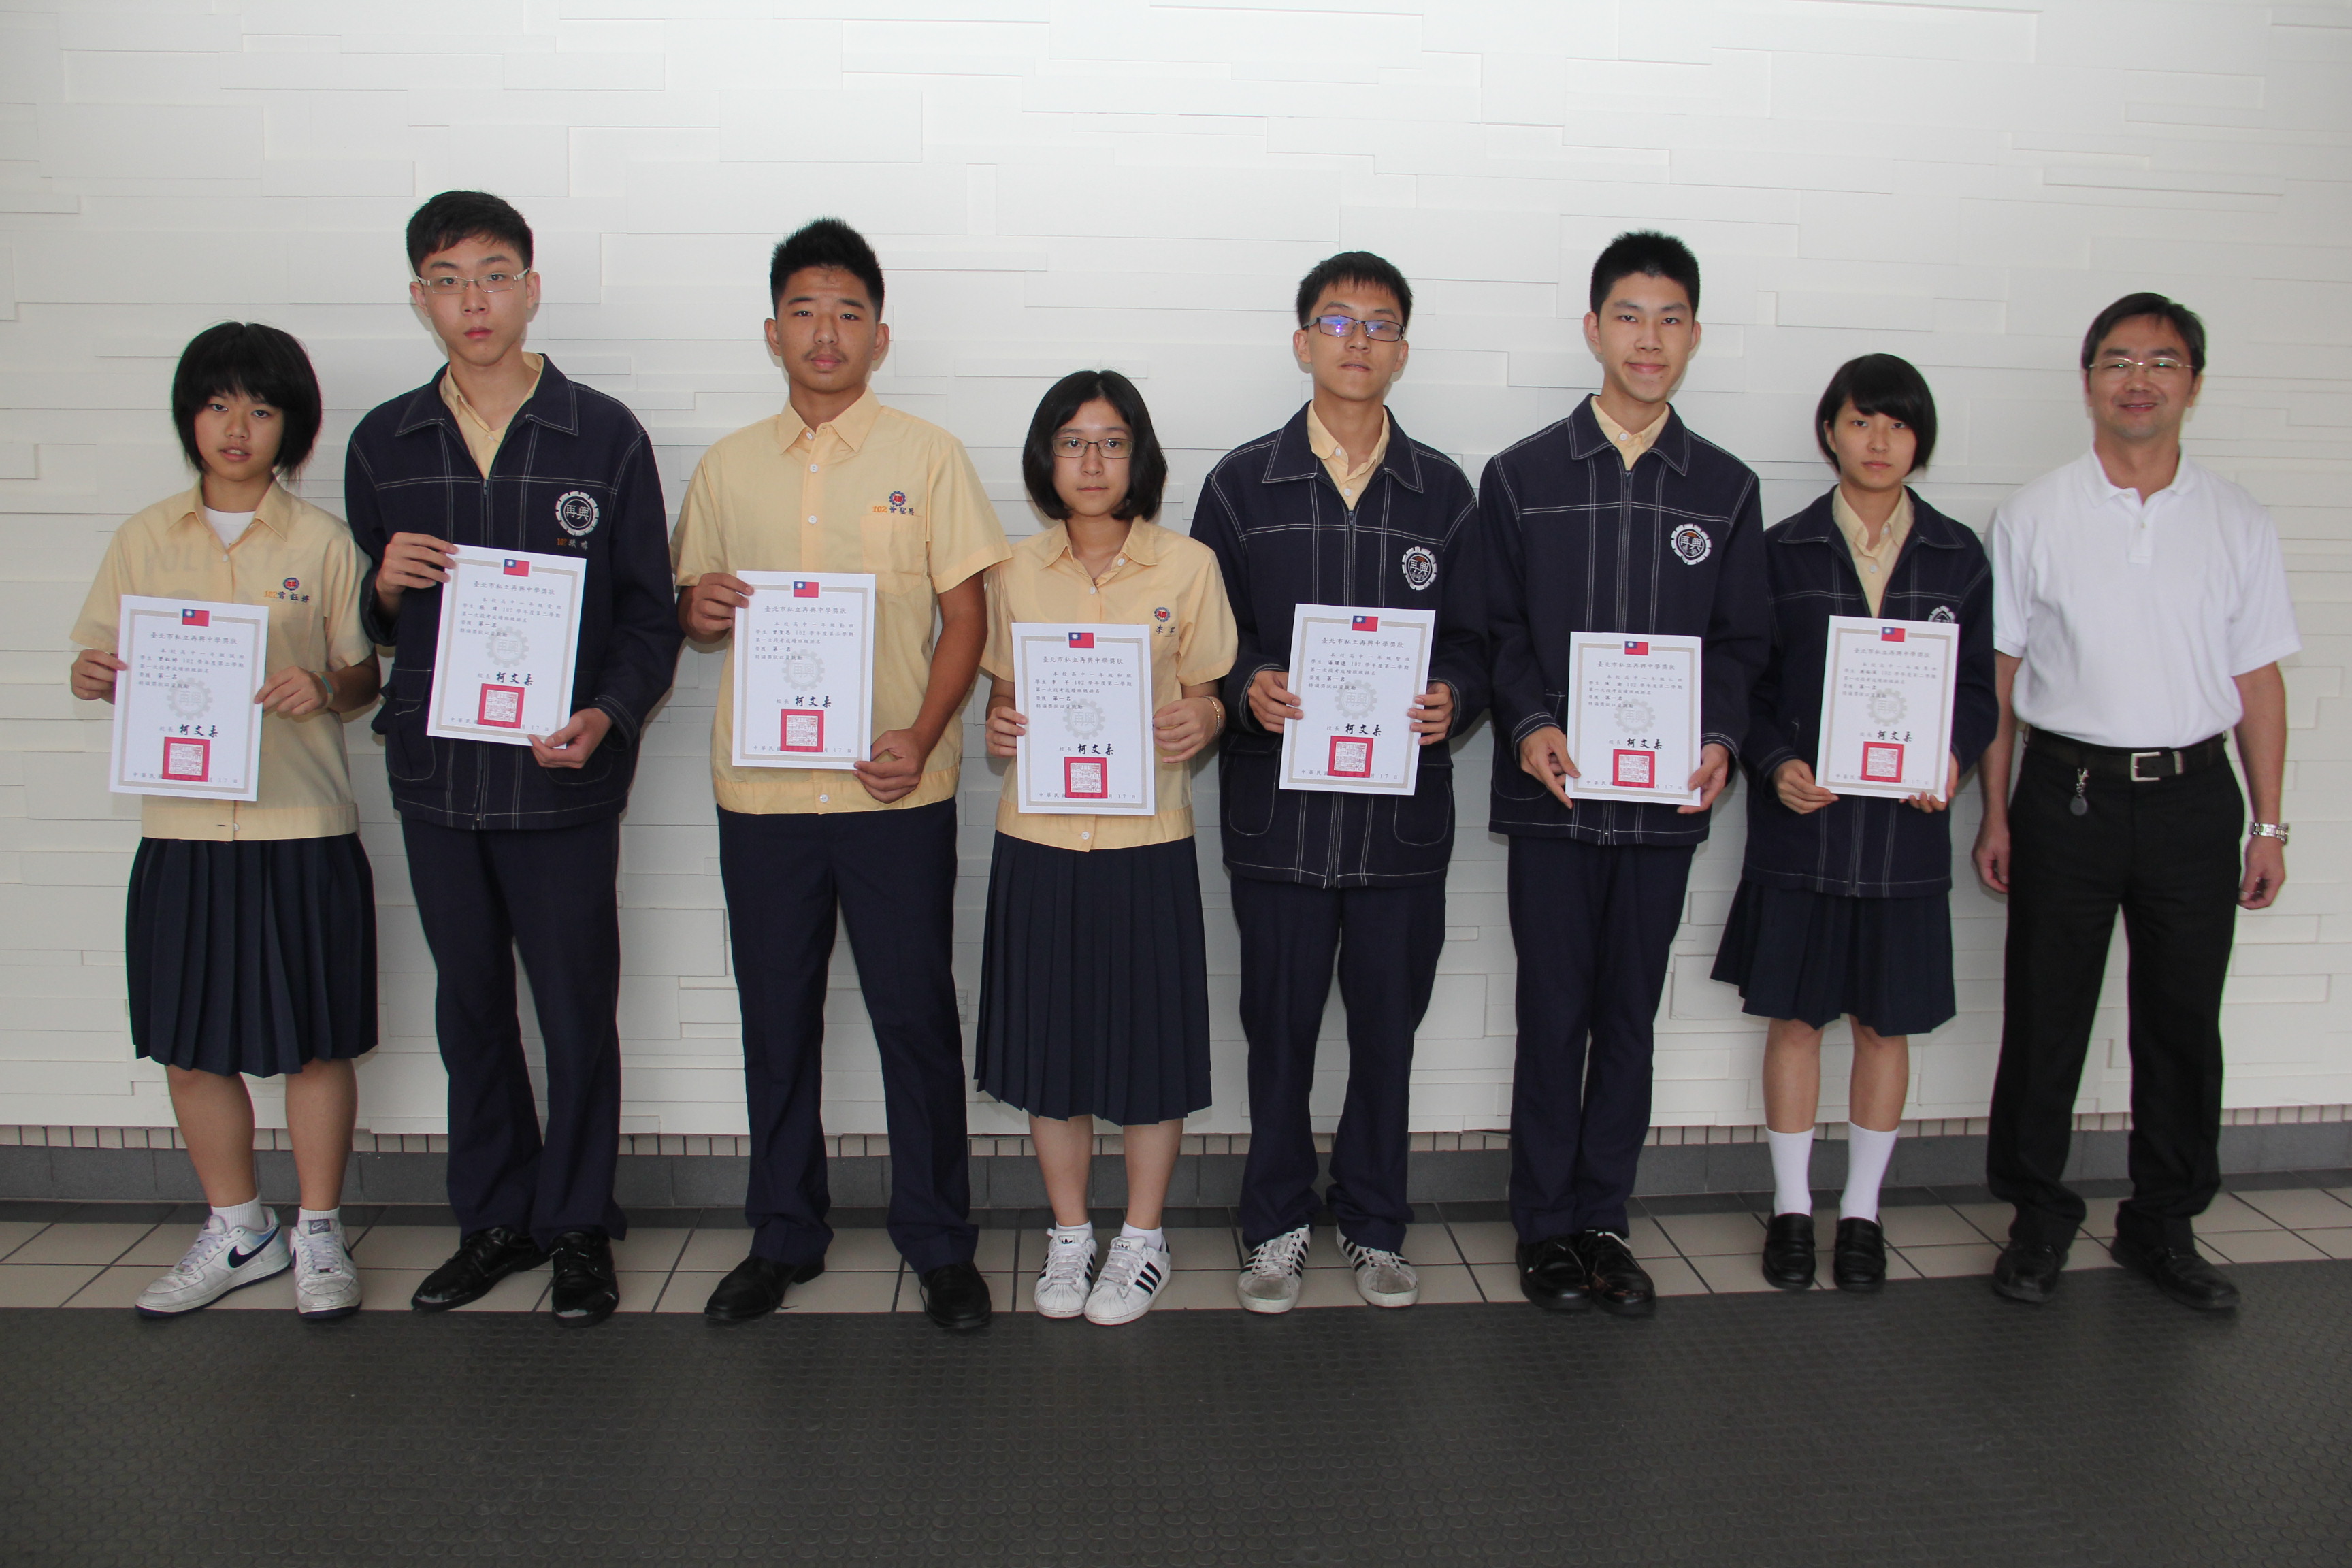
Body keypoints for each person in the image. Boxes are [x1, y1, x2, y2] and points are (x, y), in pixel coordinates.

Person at [346, 191, 683, 1326]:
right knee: (472, 1011)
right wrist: (381, 588)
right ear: (420, 299)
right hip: (438, 777)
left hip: (560, 776)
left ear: (531, 289)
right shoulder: (384, 442)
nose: (474, 301)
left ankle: (578, 1224)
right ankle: (495, 1220)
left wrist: (609, 715)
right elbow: (374, 624)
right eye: (447, 281)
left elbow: (649, 615)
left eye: (494, 275)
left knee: (578, 1012)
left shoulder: (603, 433)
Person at [673, 217, 1011, 1333]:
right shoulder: (726, 466)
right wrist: (698, 608)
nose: (827, 332)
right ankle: (784, 1234)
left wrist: (922, 731)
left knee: (916, 1019)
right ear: (773, 332)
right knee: (777, 1020)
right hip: (764, 799)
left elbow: (967, 616)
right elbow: (694, 609)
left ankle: (940, 1241)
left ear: (881, 336)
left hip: (892, 792)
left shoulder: (928, 457)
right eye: (805, 312)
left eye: (849, 313)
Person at [1973, 293, 2297, 1313]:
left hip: (2195, 800)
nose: (2138, 380)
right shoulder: (2034, 514)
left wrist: (2268, 824)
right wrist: (1995, 813)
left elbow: (2258, 680)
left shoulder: (2238, 520)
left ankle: (2162, 1224)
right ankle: (2037, 1221)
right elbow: (1998, 679)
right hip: (2065, 796)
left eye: (2162, 362)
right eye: (2117, 361)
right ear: (2088, 383)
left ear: (2194, 383)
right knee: (2046, 1017)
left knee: (2183, 1025)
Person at [1190, 251, 1486, 1314]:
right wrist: (1246, 685)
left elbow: (1478, 639)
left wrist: (1456, 694)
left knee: (1386, 1037)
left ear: (1402, 351)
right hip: (1280, 818)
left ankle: (1375, 1223)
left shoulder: (1445, 491)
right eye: (1336, 319)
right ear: (1302, 341)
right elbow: (1205, 637)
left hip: (1400, 826)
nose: (1357, 340)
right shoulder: (1240, 485)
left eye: (1379, 324)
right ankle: (1274, 1225)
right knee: (1278, 1033)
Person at [1482, 231, 1769, 1316]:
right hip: (1554, 800)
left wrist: (1722, 739)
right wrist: (1529, 724)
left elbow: (1742, 643)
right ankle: (1543, 1226)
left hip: (1661, 811)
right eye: (1629, 317)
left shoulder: (1725, 488)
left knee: (1630, 1019)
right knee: (1553, 1013)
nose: (1649, 339)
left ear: (1694, 336)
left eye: (1670, 319)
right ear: (1594, 330)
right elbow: (1496, 628)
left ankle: (1604, 1217)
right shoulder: (1521, 477)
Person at [70, 323, 380, 1319]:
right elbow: (95, 659)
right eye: (216, 405)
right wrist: (92, 674)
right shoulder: (144, 537)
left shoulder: (322, 541)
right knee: (191, 1042)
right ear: (190, 418)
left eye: (260, 408)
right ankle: (239, 1227)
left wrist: (323, 687)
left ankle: (319, 1231)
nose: (236, 427)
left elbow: (364, 677)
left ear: (292, 426)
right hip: (183, 830)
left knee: (317, 1039)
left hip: (302, 826)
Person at [1711, 354, 1995, 1292]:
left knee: (1885, 1024)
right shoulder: (1781, 549)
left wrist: (1951, 758)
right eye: (1862, 421)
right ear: (1830, 432)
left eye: (1899, 424)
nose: (1879, 441)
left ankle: (1864, 1212)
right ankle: (1793, 1208)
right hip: (1806, 828)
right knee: (1796, 1021)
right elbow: (1744, 682)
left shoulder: (1957, 555)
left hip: (1905, 834)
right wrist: (1773, 764)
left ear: (1921, 441)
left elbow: (1978, 693)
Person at [977, 371, 1235, 1325]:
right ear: (1047, 458)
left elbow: (1211, 695)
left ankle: (1142, 1238)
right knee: (1051, 1048)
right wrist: (999, 725)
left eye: (1113, 442)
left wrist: (1205, 718)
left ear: (1140, 457)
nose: (1092, 462)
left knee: (1150, 1050)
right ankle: (1070, 1233)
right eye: (1073, 442)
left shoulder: (1189, 566)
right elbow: (1003, 700)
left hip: (1146, 841)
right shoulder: (1011, 570)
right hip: (1039, 838)